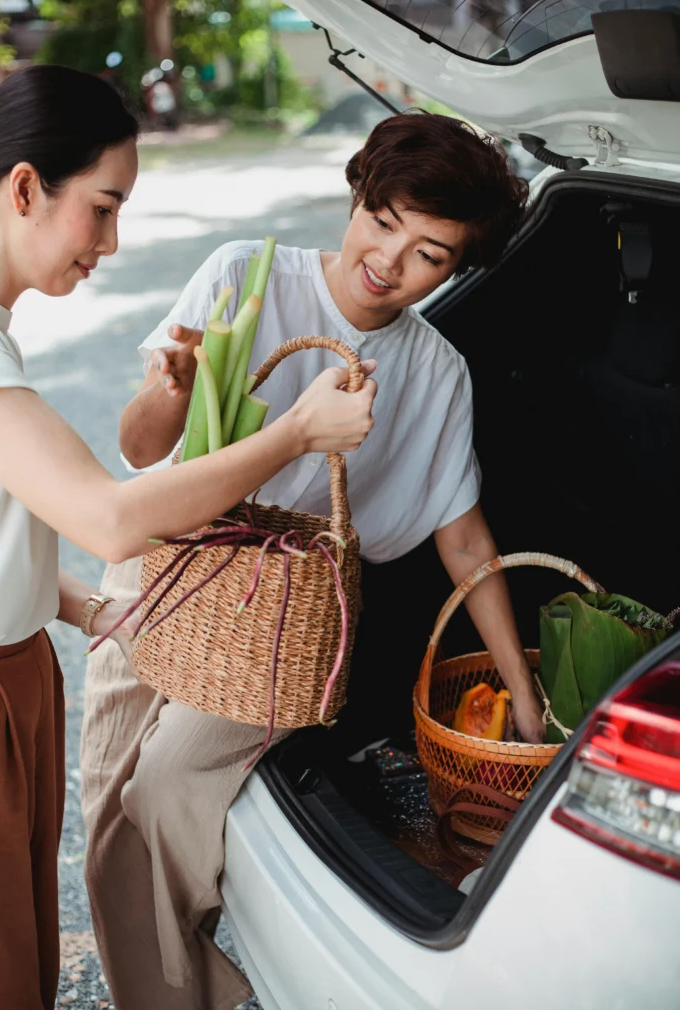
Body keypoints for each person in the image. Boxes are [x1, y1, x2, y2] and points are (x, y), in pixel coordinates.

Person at [81, 110, 543, 1010]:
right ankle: (186, 992)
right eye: (382, 220)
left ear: (456, 267)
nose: (388, 261)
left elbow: (463, 536)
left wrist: (522, 692)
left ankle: (189, 995)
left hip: (287, 618)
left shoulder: (436, 370)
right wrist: (171, 393)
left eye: (429, 254)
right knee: (108, 809)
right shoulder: (246, 277)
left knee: (166, 786)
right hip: (160, 572)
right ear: (359, 195)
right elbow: (140, 452)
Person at [0, 64, 376, 1010]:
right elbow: (110, 513)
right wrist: (292, 435)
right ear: (24, 188)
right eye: (104, 206)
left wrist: (86, 607)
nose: (114, 243)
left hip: (24, 665)